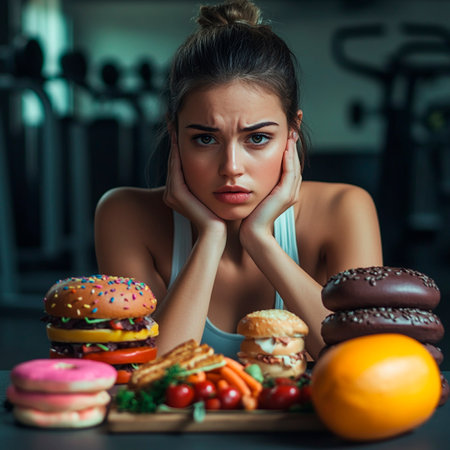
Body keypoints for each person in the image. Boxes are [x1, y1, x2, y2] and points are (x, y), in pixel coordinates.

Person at [94, 0, 383, 360]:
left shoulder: (344, 210)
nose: (231, 167)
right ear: (174, 134)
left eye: (257, 138)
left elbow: (365, 365)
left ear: (292, 133)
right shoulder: (124, 214)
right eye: (205, 138)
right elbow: (147, 372)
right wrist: (210, 237)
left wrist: (261, 240)